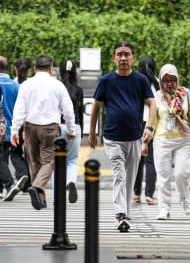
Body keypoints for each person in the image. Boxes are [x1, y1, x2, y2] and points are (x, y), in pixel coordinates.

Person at [88, 41, 156, 232]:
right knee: (119, 173)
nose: (123, 58)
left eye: (127, 54)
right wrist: (93, 133)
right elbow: (96, 108)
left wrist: (149, 128)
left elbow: (152, 104)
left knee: (130, 177)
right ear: (114, 58)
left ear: (133, 58)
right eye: (120, 54)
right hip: (112, 137)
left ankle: (125, 213)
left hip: (135, 137)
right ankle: (121, 214)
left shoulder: (141, 81)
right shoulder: (107, 81)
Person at [11, 55, 76, 210]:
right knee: (49, 161)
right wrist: (71, 129)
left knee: (34, 162)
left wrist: (14, 130)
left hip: (30, 128)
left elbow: (19, 109)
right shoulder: (58, 85)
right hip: (50, 128)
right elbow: (68, 110)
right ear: (50, 69)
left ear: (34, 69)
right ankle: (38, 187)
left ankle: (41, 198)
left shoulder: (26, 84)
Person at [153, 63, 190, 220]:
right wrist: (147, 138)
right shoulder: (157, 96)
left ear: (177, 79)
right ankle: (164, 209)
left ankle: (184, 198)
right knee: (163, 177)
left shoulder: (185, 93)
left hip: (184, 139)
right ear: (161, 81)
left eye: (173, 80)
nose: (170, 83)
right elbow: (152, 119)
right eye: (166, 80)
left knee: (181, 174)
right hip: (162, 139)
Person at [0, 56, 29, 201]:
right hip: (12, 129)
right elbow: (22, 109)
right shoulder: (16, 86)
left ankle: (9, 185)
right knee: (3, 158)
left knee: (0, 159)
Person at [133, 55, 160, 205]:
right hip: (151, 123)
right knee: (150, 160)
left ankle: (136, 193)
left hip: (136, 123)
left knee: (137, 159)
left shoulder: (134, 80)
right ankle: (149, 194)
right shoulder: (158, 82)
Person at [57, 59, 84, 203]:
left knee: (57, 161)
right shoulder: (79, 90)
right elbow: (80, 111)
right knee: (72, 160)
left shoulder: (57, 87)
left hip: (58, 127)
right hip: (75, 127)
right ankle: (71, 181)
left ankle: (59, 191)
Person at [10, 57, 32, 193]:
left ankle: (23, 175)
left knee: (15, 153)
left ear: (15, 69)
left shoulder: (12, 84)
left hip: (16, 124)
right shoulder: (31, 85)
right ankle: (29, 183)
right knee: (31, 155)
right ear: (30, 70)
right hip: (31, 125)